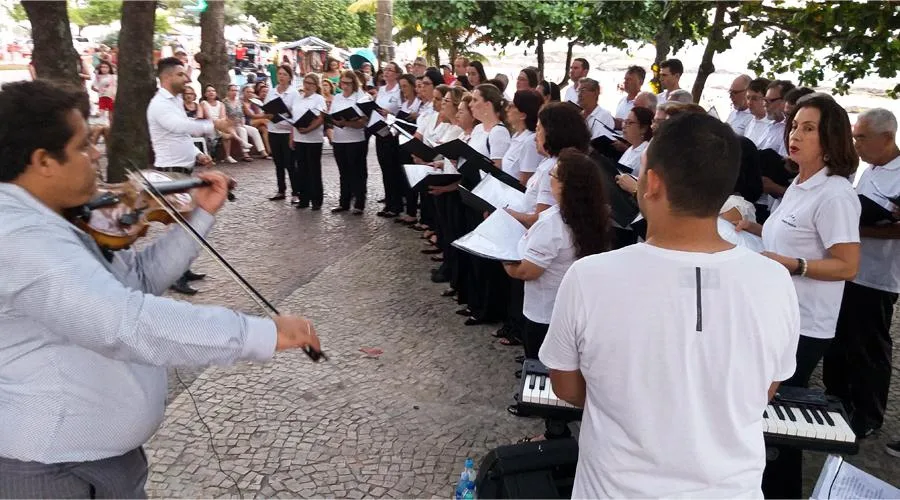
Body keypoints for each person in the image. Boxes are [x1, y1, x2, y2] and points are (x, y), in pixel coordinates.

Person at [0, 78, 321, 498]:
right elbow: (121, 321)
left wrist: (201, 216)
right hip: (50, 466)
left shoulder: (53, 218)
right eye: (82, 147)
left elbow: (139, 279)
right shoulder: (19, 235)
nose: (96, 155)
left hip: (97, 456)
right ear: (43, 161)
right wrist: (259, 333)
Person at [539, 112, 800, 498]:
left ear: (653, 183)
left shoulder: (589, 277)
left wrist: (630, 401)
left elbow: (566, 386)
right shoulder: (775, 280)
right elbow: (765, 389)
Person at [735, 93, 860, 498]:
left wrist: (795, 265)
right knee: (770, 415)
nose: (796, 135)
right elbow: (787, 239)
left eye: (809, 128)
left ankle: (782, 490)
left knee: (779, 419)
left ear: (831, 138)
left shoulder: (835, 193)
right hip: (779, 315)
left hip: (806, 323)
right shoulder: (801, 184)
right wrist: (748, 228)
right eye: (794, 126)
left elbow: (847, 264)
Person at [503, 148, 611, 436]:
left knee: (547, 369)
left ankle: (555, 431)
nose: (549, 179)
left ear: (563, 185)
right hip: (580, 308)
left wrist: (502, 256)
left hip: (545, 310)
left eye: (553, 175)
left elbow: (528, 271)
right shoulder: (595, 214)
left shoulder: (553, 223)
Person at [824, 108, 900, 441]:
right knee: (841, 339)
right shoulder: (868, 169)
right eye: (854, 136)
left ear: (887, 137)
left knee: (870, 345)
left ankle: (869, 413)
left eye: (861, 137)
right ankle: (837, 398)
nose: (856, 144)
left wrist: (860, 229)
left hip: (880, 275)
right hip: (852, 268)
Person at [147, 58, 234, 295]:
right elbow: (179, 127)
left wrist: (197, 154)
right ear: (167, 77)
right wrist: (214, 124)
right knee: (177, 227)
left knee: (185, 224)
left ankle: (183, 268)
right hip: (170, 172)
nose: (187, 79)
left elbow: (181, 136)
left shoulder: (174, 100)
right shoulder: (159, 104)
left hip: (183, 169)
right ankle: (174, 275)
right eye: (181, 75)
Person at [330, 70, 370, 214]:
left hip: (356, 139)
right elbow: (332, 115)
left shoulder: (361, 97)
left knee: (357, 171)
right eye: (343, 82)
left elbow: (364, 121)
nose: (345, 86)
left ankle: (359, 203)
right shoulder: (337, 98)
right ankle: (344, 202)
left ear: (354, 83)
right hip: (339, 139)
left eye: (348, 83)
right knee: (343, 172)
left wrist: (347, 123)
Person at [290, 73, 327, 211]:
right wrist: (293, 136)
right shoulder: (298, 98)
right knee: (301, 169)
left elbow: (320, 118)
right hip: (299, 138)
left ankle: (316, 199)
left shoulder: (318, 99)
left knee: (314, 169)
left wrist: (309, 129)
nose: (307, 85)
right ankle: (304, 198)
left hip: (313, 138)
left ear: (316, 85)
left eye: (310, 83)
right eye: (306, 82)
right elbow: (293, 119)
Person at [265, 64, 301, 203]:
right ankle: (281, 190)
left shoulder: (294, 93)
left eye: (284, 74)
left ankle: (295, 192)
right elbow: (267, 109)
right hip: (274, 130)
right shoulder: (272, 91)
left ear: (290, 77)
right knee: (278, 162)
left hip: (287, 131)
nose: (281, 77)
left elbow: (296, 113)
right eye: (279, 74)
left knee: (290, 163)